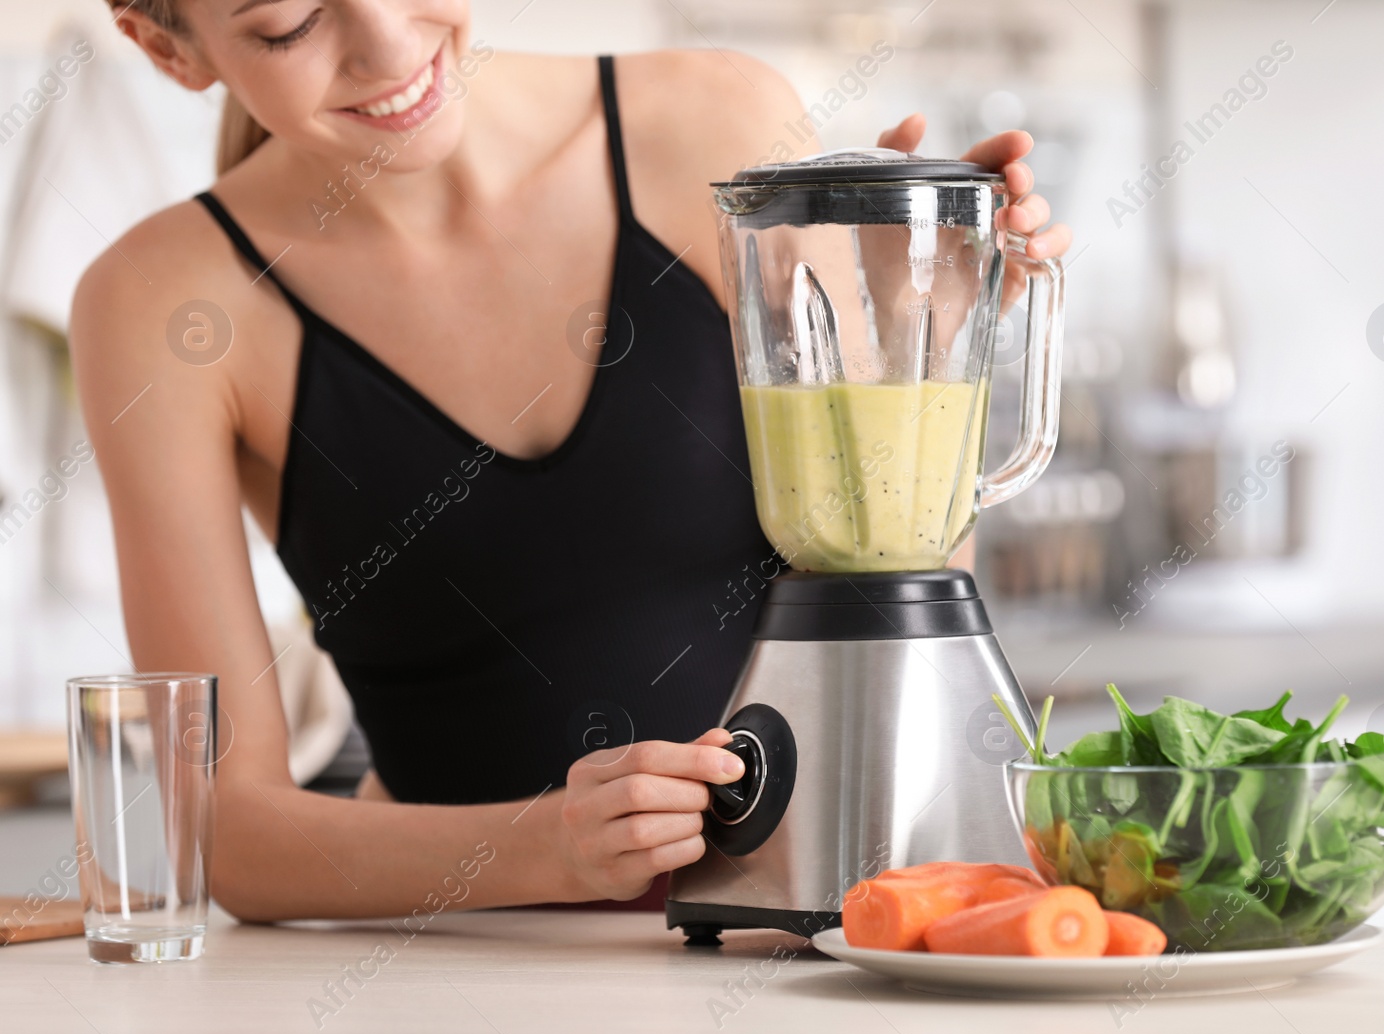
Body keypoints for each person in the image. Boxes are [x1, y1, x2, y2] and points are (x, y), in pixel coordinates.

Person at [72, 0, 1071, 922]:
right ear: (169, 46)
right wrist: (544, 848)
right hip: (450, 989)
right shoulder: (162, 302)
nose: (385, 43)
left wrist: (915, 341)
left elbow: (898, 587)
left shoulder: (710, 121)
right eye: (288, 23)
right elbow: (222, 832)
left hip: (817, 939)